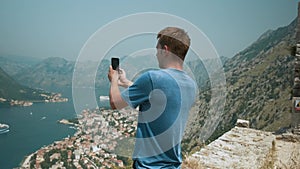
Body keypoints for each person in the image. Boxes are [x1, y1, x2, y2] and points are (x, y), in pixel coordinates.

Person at [108, 27, 196, 169]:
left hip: (148, 166)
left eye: (157, 49)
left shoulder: (152, 78)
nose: (156, 54)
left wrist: (114, 79)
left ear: (165, 50)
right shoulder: (191, 85)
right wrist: (125, 82)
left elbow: (115, 103)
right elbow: (158, 96)